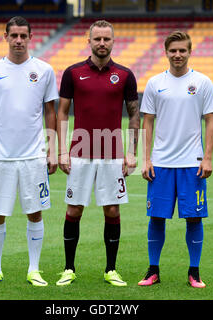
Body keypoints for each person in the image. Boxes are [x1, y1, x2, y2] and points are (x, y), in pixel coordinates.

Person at [0, 16, 59, 287]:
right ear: (6, 37)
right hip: (1, 156)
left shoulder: (44, 70)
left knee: (35, 212)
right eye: (14, 36)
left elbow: (50, 112)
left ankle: (34, 269)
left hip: (34, 156)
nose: (19, 40)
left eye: (24, 35)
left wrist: (53, 149)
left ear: (31, 37)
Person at [56, 20, 140, 287]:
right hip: (79, 153)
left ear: (113, 42)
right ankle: (69, 268)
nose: (102, 43)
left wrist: (132, 152)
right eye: (97, 39)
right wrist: (61, 150)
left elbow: (135, 114)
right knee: (74, 209)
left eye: (107, 39)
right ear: (89, 41)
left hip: (113, 154)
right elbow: (62, 113)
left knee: (112, 210)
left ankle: (111, 269)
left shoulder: (125, 75)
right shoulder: (72, 73)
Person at [139, 31, 213, 288]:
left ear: (189, 52)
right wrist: (146, 159)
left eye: (182, 50)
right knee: (157, 218)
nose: (177, 55)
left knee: (194, 218)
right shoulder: (154, 83)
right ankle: (153, 270)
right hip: (161, 164)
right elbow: (147, 122)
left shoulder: (203, 82)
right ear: (166, 52)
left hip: (192, 164)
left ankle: (194, 272)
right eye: (173, 50)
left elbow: (211, 121)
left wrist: (207, 158)